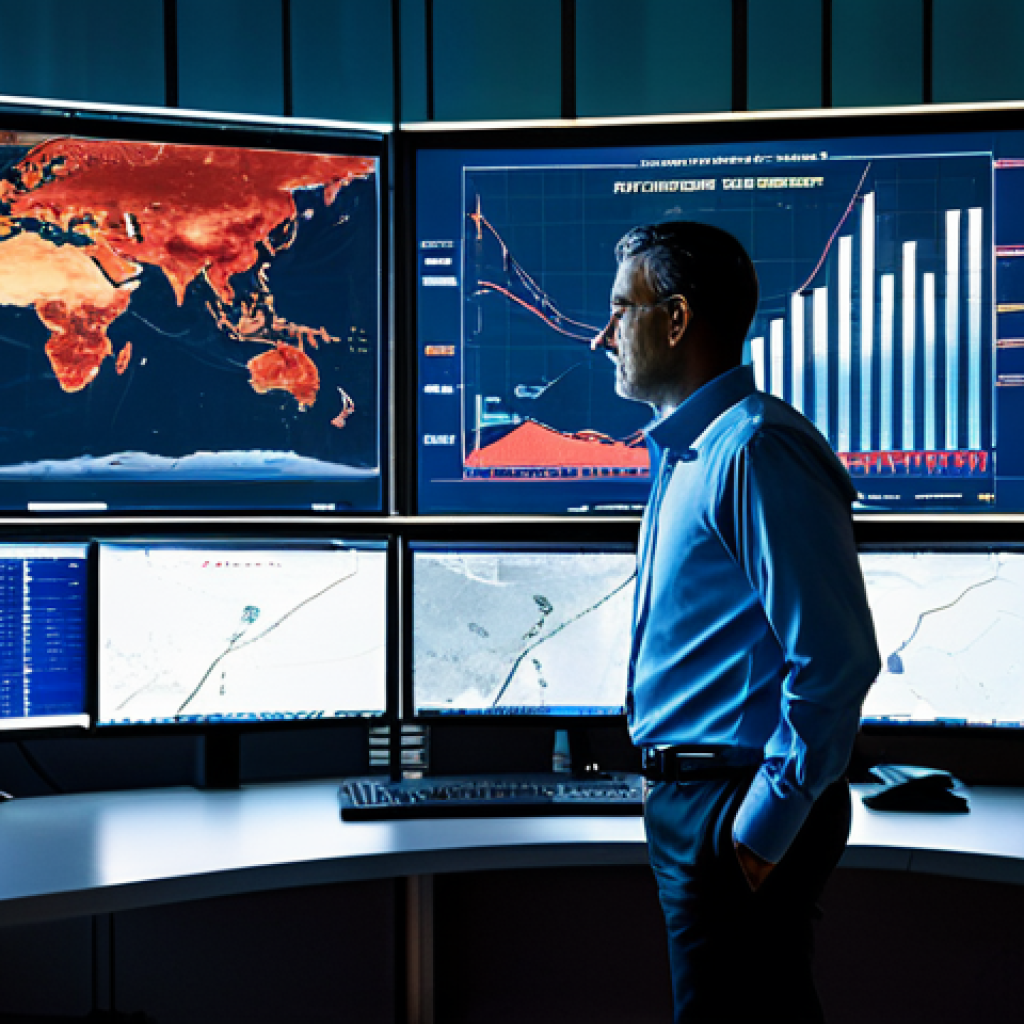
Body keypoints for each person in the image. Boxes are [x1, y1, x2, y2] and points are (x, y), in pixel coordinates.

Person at [594, 221, 881, 1024]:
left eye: (622, 310)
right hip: (701, 796)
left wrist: (762, 826)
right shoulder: (694, 451)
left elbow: (836, 659)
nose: (603, 335)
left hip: (735, 800)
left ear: (677, 320)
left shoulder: (756, 450)